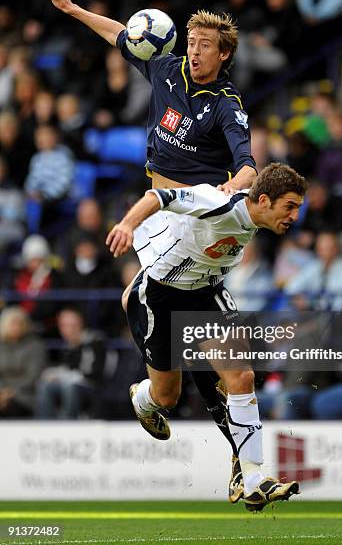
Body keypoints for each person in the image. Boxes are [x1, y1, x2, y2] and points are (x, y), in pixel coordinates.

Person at [44, 0, 258, 503]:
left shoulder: (226, 105)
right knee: (204, 335)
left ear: (224, 54)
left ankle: (166, 403)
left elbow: (249, 166)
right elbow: (119, 33)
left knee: (187, 370)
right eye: (192, 42)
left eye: (206, 45)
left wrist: (231, 189)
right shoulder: (165, 69)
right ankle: (138, 295)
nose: (195, 50)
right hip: (159, 219)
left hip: (194, 217)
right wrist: (72, 10)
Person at [106, 162, 307, 511]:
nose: (294, 216)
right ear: (263, 200)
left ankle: (252, 476)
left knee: (241, 376)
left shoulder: (252, 208)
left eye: (298, 208)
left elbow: (247, 173)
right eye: (289, 206)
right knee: (168, 396)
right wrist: (126, 225)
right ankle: (144, 400)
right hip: (160, 298)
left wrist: (244, 173)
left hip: (205, 295)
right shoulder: (215, 203)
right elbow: (157, 196)